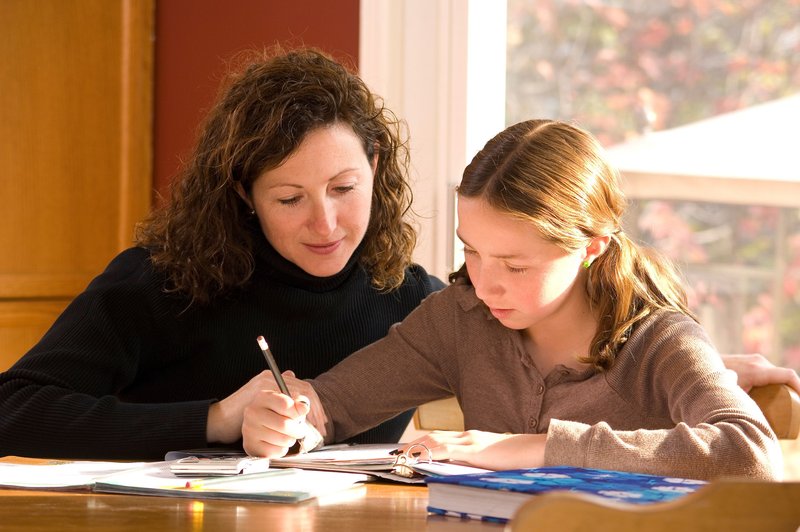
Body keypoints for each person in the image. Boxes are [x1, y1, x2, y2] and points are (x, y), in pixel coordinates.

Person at [243, 119, 783, 481]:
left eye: (515, 265)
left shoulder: (661, 339)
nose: (484, 283)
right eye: (471, 251)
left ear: (591, 247)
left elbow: (751, 455)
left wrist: (536, 447)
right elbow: (334, 403)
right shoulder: (460, 319)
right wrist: (289, 417)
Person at [0, 47, 444, 459]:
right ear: (244, 193)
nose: (326, 223)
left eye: (343, 188)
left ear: (375, 164)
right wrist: (215, 420)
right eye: (290, 199)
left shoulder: (412, 298)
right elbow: (11, 409)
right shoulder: (163, 282)